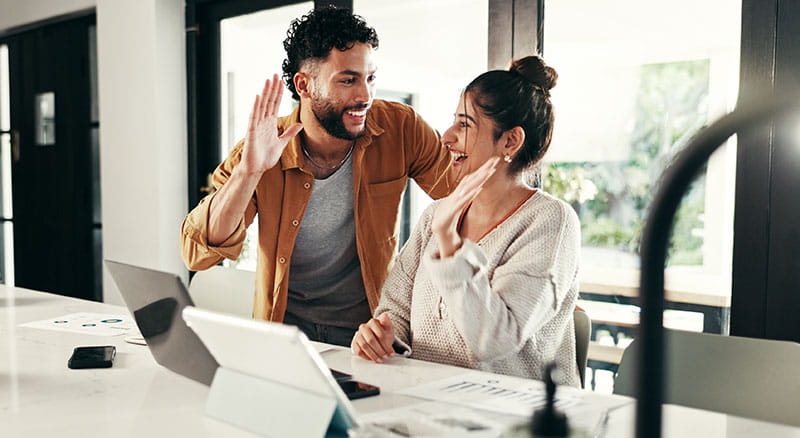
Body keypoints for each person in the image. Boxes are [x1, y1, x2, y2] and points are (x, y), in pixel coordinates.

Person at [180, 7, 455, 347]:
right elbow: (198, 252)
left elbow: (462, 195)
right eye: (348, 80)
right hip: (286, 337)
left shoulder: (400, 128)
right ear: (304, 85)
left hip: (371, 336)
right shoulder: (262, 148)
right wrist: (248, 173)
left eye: (370, 78)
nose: (365, 96)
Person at [350, 56, 582, 386]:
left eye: (464, 125)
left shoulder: (550, 222)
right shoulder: (437, 214)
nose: (446, 137)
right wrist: (383, 334)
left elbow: (494, 340)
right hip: (429, 404)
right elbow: (394, 309)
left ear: (510, 141)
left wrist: (448, 241)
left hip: (514, 421)